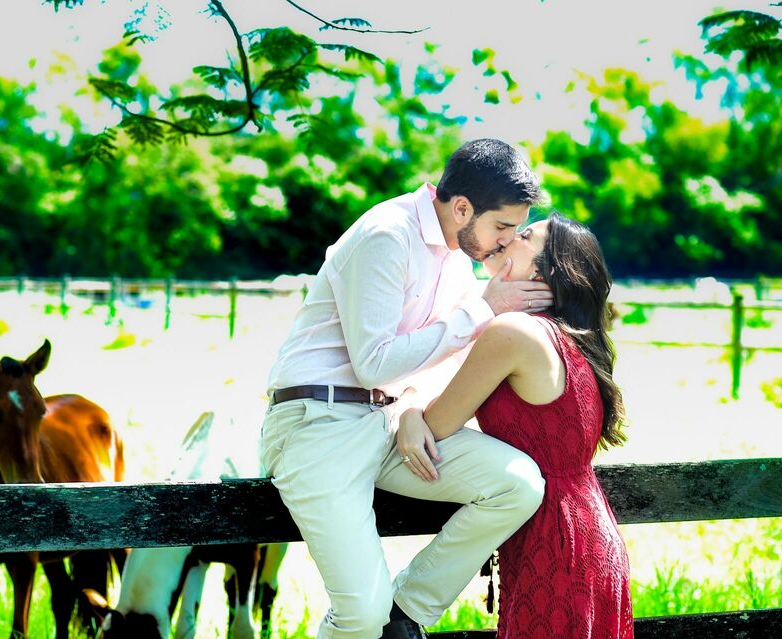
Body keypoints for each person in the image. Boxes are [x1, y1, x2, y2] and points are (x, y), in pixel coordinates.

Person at [260, 139, 554, 639]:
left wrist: (415, 405)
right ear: (462, 208)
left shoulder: (456, 259)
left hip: (389, 424)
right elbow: (374, 363)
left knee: (518, 485)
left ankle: (406, 612)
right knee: (360, 613)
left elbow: (444, 354)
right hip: (318, 425)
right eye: (502, 227)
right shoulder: (387, 234)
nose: (506, 242)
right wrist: (485, 308)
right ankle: (378, 618)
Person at [397, 212, 633, 639]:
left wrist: (409, 407)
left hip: (556, 544)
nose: (506, 239)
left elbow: (439, 424)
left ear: (545, 272)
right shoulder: (568, 338)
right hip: (590, 535)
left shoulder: (513, 333)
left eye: (524, 236)